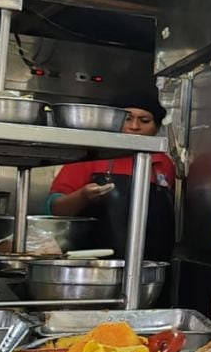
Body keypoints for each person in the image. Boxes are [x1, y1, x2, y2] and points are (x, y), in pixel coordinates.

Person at [48, 90, 176, 262]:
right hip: (92, 267)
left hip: (150, 269)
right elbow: (54, 209)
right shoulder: (90, 155)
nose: (135, 126)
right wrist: (82, 196)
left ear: (157, 127)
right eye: (127, 118)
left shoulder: (164, 164)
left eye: (144, 120)